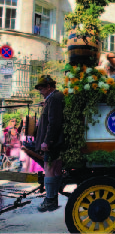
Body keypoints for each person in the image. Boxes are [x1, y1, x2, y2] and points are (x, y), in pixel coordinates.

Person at [34, 75, 65, 212]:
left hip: (53, 142)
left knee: (49, 168)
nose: (40, 91)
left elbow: (54, 123)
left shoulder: (54, 98)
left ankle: (50, 200)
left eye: (41, 89)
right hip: (55, 141)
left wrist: (47, 141)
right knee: (54, 167)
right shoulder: (53, 98)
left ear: (49, 87)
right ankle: (52, 198)